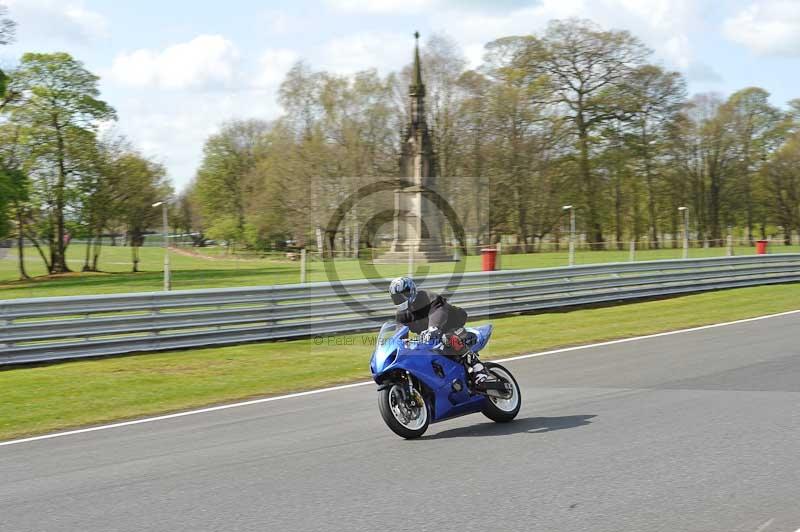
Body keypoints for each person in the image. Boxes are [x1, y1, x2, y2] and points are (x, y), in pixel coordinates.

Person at [388, 276, 496, 389]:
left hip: (452, 325)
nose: (401, 299)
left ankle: (477, 366)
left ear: (412, 291)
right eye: (397, 298)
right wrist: (397, 345)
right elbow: (400, 333)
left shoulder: (426, 297)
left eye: (404, 294)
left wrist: (434, 327)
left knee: (447, 338)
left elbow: (439, 311)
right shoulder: (402, 314)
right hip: (431, 335)